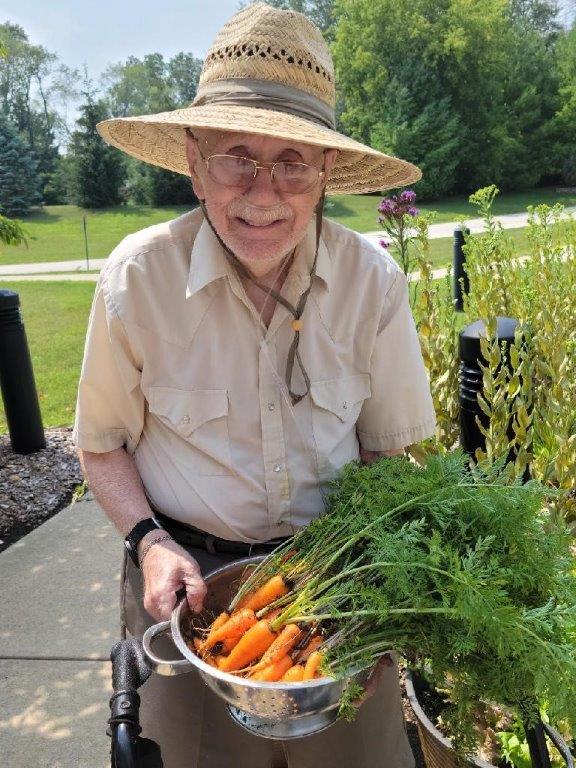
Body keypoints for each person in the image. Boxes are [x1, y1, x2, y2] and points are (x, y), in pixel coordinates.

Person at [73, 3, 436, 767]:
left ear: (327, 173)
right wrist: (147, 543)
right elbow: (101, 444)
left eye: (292, 161)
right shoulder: (137, 281)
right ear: (195, 163)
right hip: (188, 593)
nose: (263, 193)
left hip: (338, 585)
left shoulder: (375, 285)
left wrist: (375, 579)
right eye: (237, 155)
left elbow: (396, 458)